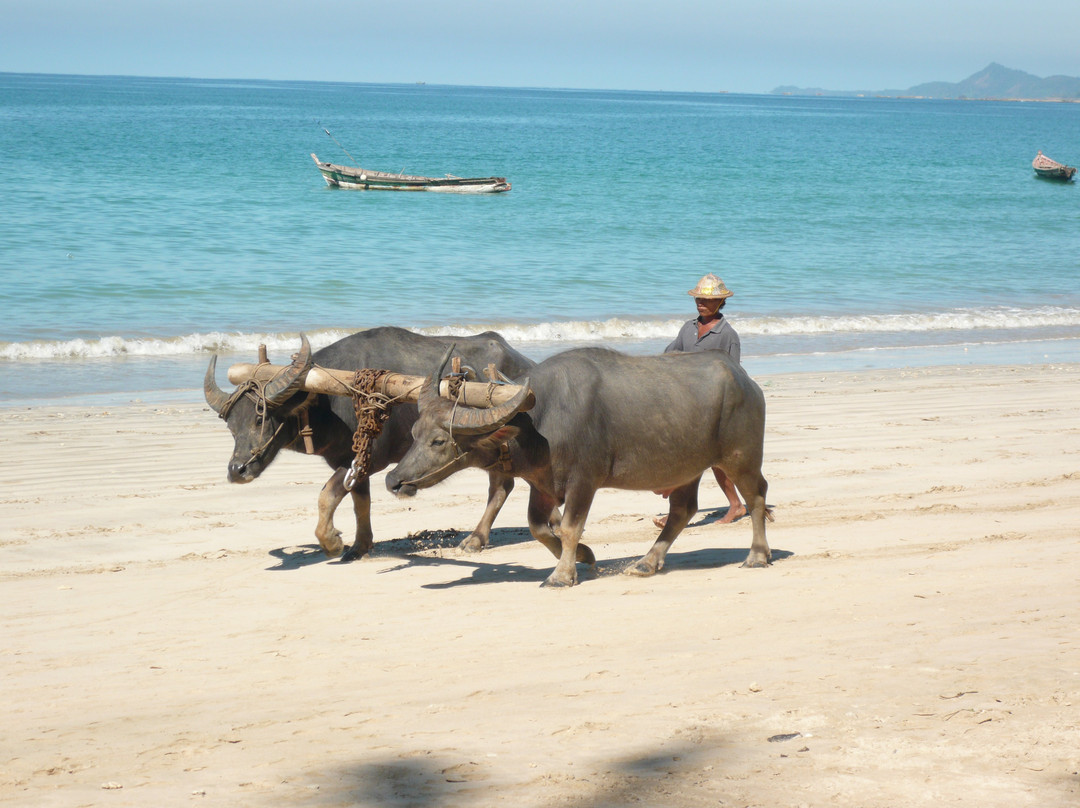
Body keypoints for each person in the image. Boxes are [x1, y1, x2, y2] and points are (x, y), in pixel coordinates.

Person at [653, 273, 747, 528]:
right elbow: (669, 355)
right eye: (698, 298)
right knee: (697, 459)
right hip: (685, 406)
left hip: (713, 408)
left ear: (720, 302)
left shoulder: (728, 336)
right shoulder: (688, 328)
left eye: (707, 299)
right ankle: (733, 505)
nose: (701, 303)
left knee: (708, 460)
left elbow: (734, 375)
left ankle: (728, 506)